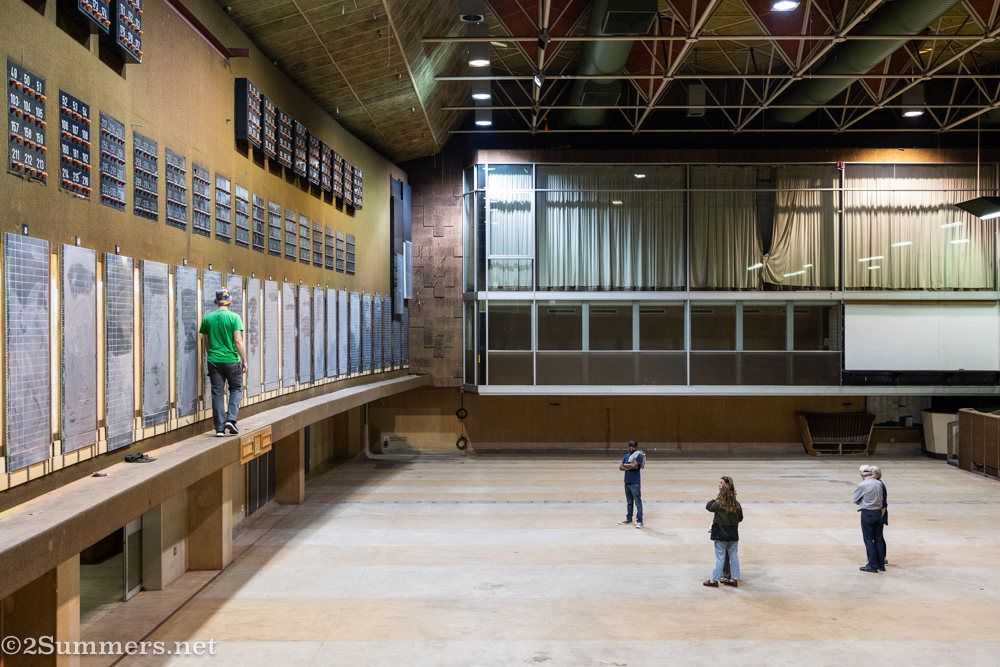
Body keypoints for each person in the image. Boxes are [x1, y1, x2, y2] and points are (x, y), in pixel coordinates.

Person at [199, 288, 247, 436]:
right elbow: (238, 341)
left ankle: (219, 428)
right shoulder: (234, 317)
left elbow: (205, 341)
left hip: (213, 360)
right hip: (231, 360)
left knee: (217, 394)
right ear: (229, 300)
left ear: (217, 302)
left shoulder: (207, 318)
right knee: (236, 389)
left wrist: (211, 355)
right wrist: (244, 360)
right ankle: (231, 420)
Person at [704, 481, 743, 588]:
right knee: (734, 557)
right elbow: (740, 518)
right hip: (733, 535)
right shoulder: (737, 504)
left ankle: (714, 580)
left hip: (721, 535)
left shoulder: (719, 504)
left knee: (720, 558)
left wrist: (716, 498)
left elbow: (708, 506)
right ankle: (733, 579)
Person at [853, 464, 885, 573]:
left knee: (869, 540)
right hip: (878, 512)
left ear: (861, 474)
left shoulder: (862, 485)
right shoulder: (879, 483)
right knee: (879, 539)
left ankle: (872, 565)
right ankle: (881, 564)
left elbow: (855, 499)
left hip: (867, 513)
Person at [618, 440, 645, 529]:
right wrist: (630, 466)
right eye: (630, 446)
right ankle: (629, 518)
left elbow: (634, 466)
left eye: (633, 446)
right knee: (629, 502)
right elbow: (620, 468)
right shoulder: (626, 456)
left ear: (636, 447)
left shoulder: (638, 456)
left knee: (637, 502)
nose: (631, 448)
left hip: (635, 483)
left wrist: (626, 466)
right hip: (627, 482)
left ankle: (639, 520)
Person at [871, 466, 888, 567]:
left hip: (879, 514)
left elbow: (884, 504)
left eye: (871, 473)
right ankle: (876, 556)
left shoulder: (881, 485)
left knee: (879, 536)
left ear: (876, 475)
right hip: (876, 513)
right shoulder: (874, 484)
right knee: (876, 536)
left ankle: (883, 558)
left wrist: (880, 517)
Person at [719, 476, 736, 580]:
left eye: (721, 483)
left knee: (726, 554)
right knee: (726, 554)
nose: (719, 485)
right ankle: (727, 574)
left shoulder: (727, 500)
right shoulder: (723, 498)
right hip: (728, 529)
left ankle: (727, 575)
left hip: (726, 530)